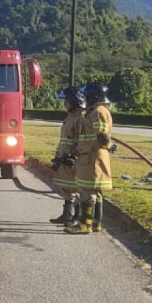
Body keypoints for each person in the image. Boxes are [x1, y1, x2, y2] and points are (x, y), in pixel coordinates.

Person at [67, 83, 115, 234]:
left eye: (87, 95)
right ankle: (96, 224)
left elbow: (102, 135)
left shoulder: (98, 112)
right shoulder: (96, 111)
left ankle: (84, 225)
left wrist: (107, 144)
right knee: (96, 192)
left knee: (87, 192)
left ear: (93, 96)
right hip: (91, 156)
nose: (85, 98)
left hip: (92, 157)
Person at [49, 86, 86, 226]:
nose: (65, 104)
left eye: (67, 101)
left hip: (74, 159)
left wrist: (73, 155)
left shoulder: (81, 118)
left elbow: (82, 140)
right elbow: (64, 140)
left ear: (75, 101)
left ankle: (76, 217)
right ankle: (67, 215)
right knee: (66, 187)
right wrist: (58, 156)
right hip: (65, 158)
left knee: (75, 188)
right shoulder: (70, 117)